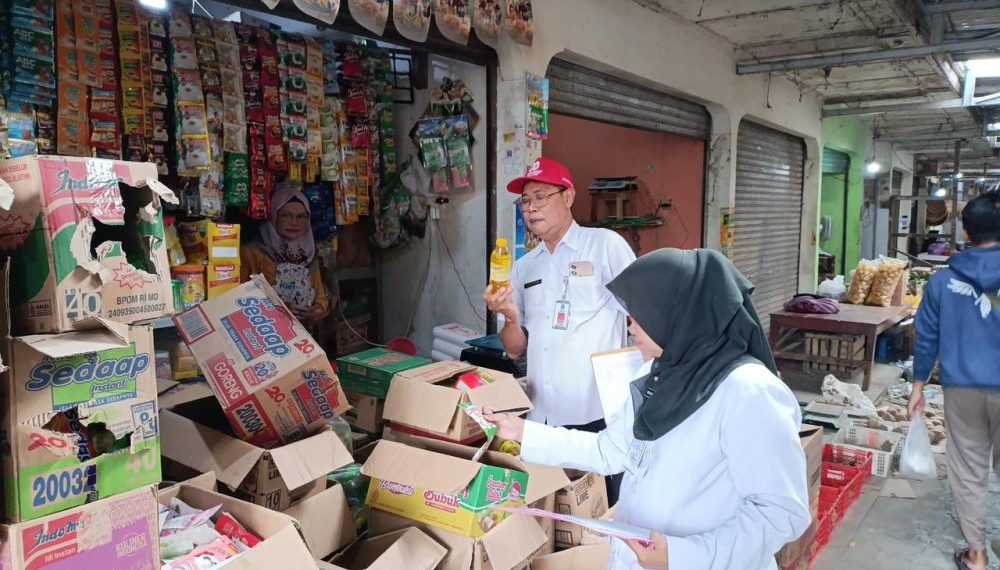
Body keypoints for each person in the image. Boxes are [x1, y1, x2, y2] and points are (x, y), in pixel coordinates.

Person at [485, 249, 810, 570]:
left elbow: (780, 513)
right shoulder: (657, 373)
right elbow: (611, 450)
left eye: (641, 313)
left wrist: (682, 556)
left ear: (678, 315)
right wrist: (523, 432)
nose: (631, 327)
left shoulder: (748, 391)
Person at [483, 157, 636, 504]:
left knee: (600, 511)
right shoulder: (525, 267)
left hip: (596, 415)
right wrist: (509, 318)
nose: (531, 208)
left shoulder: (605, 247)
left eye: (540, 197)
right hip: (541, 418)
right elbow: (515, 349)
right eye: (525, 201)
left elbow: (643, 317)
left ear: (568, 197)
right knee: (552, 511)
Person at [909, 190, 1000, 570]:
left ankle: (976, 555)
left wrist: (917, 386)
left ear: (965, 232)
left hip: (962, 387)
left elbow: (926, 336)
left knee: (968, 469)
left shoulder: (942, 281)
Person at [241, 185, 336, 325]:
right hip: (261, 330)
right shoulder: (252, 252)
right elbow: (238, 299)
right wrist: (279, 310)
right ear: (274, 216)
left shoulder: (308, 253)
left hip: (300, 333)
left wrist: (317, 310)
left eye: (301, 217)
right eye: (286, 215)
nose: (294, 223)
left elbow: (320, 298)